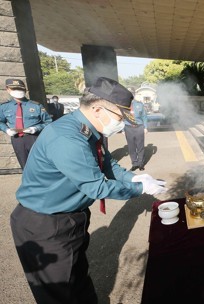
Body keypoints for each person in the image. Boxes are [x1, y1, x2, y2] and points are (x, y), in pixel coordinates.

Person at [10, 77, 167, 304]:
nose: (122, 123)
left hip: (70, 218)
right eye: (119, 117)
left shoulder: (89, 130)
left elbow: (107, 164)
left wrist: (133, 176)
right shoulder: (68, 137)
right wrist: (139, 188)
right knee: (59, 294)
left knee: (78, 281)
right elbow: (97, 186)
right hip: (45, 224)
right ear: (97, 109)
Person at [0, 79, 52, 169]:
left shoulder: (36, 106)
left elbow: (48, 121)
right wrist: (7, 130)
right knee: (24, 164)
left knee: (40, 164)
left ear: (24, 90)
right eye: (14, 89)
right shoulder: (4, 107)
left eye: (20, 89)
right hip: (17, 139)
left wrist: (36, 128)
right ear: (8, 89)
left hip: (34, 138)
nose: (18, 91)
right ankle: (29, 181)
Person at [125, 92, 148, 171]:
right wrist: (122, 129)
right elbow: (122, 117)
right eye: (138, 95)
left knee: (140, 147)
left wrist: (145, 127)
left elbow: (144, 116)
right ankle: (134, 163)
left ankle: (141, 164)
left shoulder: (140, 105)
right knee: (131, 147)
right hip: (128, 127)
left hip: (139, 127)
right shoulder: (124, 104)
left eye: (140, 95)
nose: (140, 97)